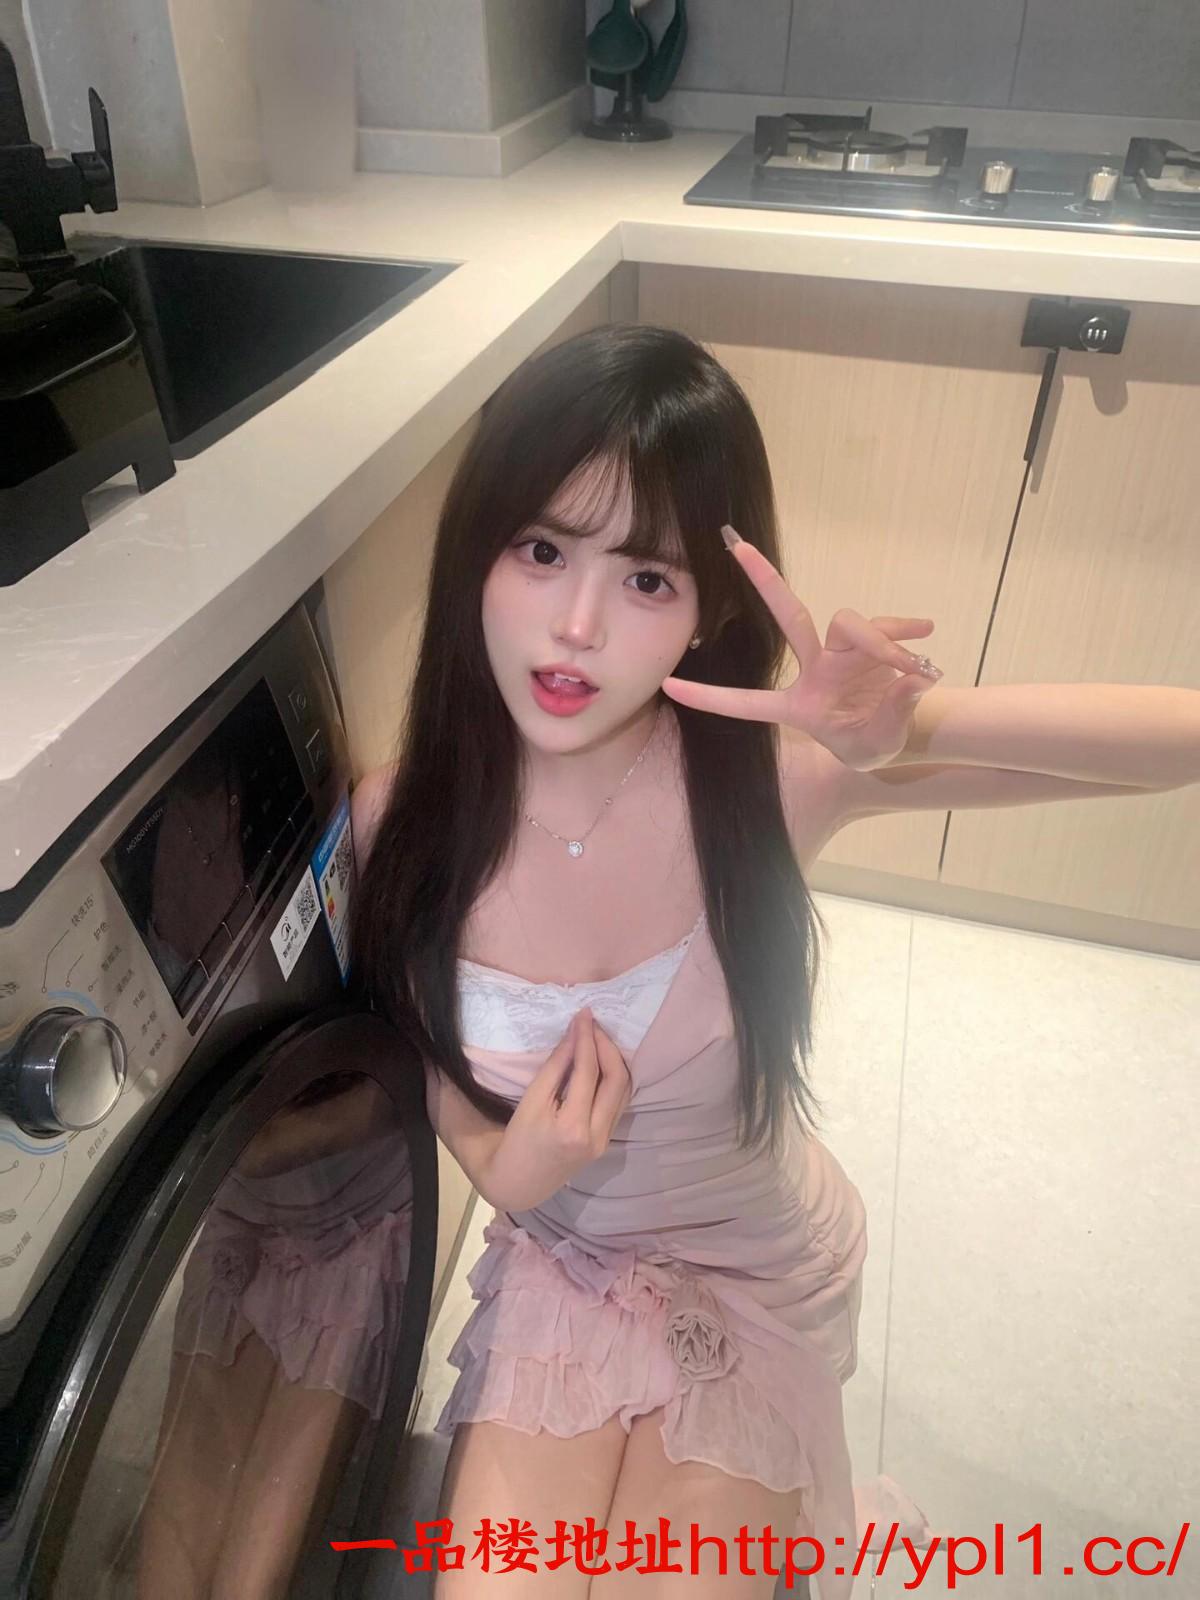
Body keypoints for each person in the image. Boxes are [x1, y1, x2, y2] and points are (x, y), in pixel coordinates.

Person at [347, 322, 931, 1598]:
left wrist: (910, 730)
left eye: (647, 577)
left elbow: (1163, 742)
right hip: (567, 1264)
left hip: (750, 1270)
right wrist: (502, 1164)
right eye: (542, 549)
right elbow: (414, 1032)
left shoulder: (759, 789)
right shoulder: (396, 820)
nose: (575, 625)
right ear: (476, 546)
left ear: (710, 611)